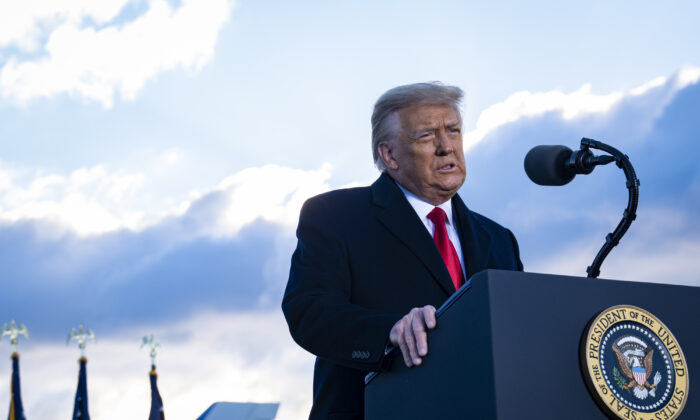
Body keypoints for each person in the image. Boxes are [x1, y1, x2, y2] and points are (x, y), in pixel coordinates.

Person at [282, 82, 523, 420]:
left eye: (453, 130)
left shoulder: (499, 239)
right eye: (426, 136)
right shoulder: (335, 216)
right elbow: (309, 311)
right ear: (389, 154)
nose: (446, 147)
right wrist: (390, 331)